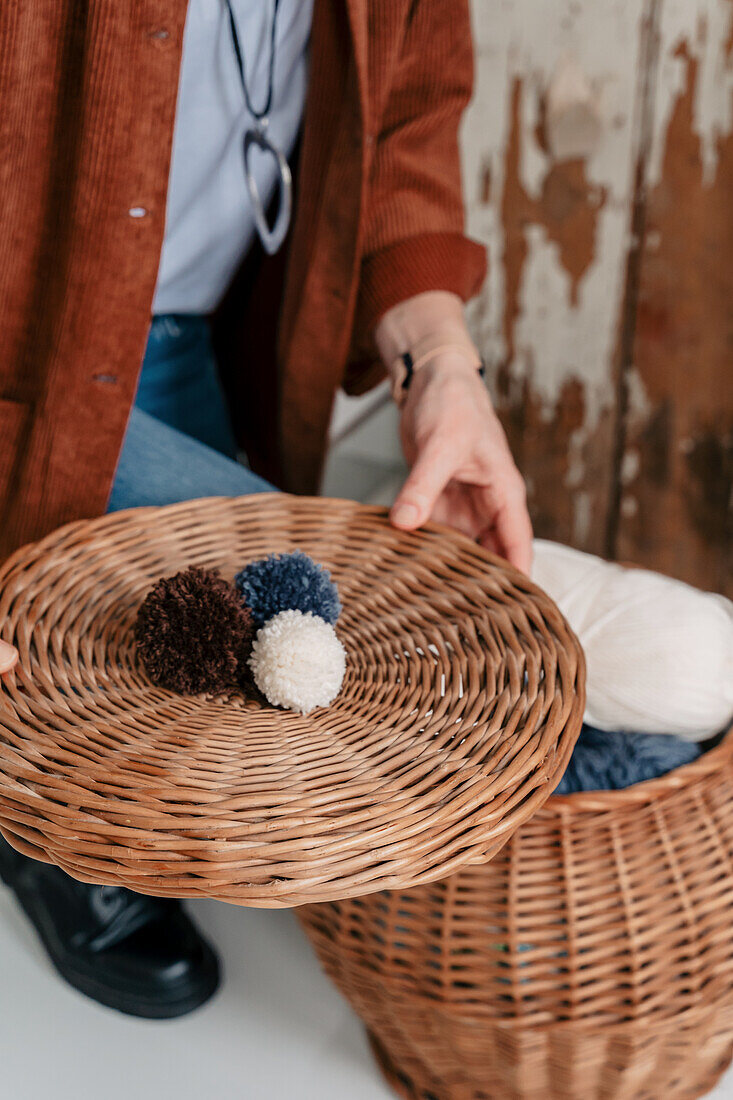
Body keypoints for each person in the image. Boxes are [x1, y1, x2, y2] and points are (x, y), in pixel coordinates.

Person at [0, 0, 532, 1018]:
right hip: (30, 350)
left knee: (240, 657)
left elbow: (409, 112)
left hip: (190, 329)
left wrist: (441, 360)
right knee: (98, 649)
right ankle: (34, 831)